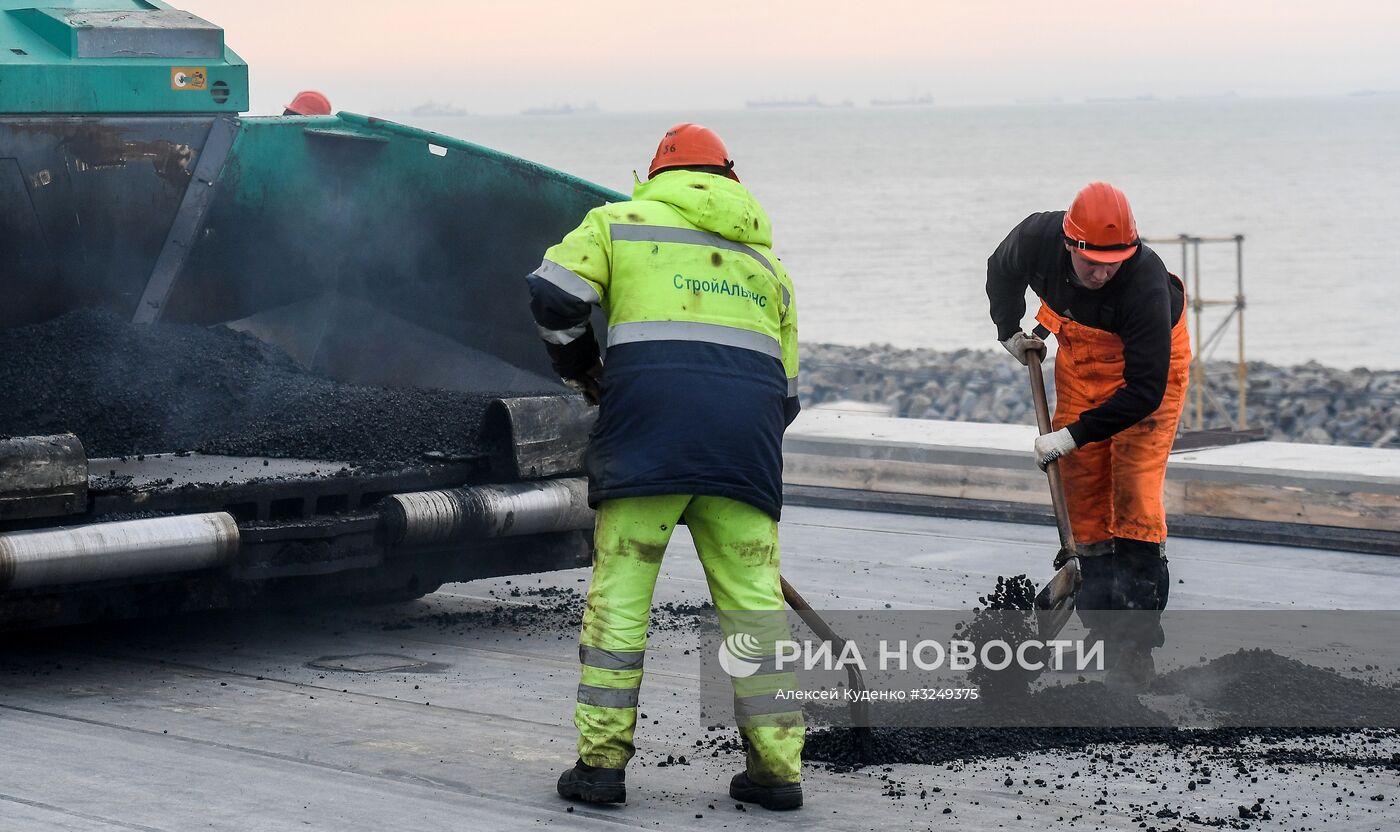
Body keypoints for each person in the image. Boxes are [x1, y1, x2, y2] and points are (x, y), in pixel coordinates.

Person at [526, 124, 805, 809]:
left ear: (652, 175)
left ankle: (600, 769)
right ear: (730, 179)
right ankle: (777, 775)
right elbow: (787, 395)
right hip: (742, 453)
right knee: (754, 612)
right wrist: (726, 440)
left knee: (621, 602)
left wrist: (581, 367)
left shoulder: (619, 223)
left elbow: (555, 295)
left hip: (646, 441)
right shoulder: (768, 267)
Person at [986, 181, 1191, 685]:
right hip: (1082, 356)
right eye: (1091, 261)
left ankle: (1136, 650)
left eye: (1114, 261)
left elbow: (1144, 390)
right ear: (1069, 244)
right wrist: (1008, 329)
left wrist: (1071, 435)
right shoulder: (1037, 236)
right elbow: (1000, 269)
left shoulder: (1143, 283)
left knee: (1135, 500)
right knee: (1084, 501)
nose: (1102, 272)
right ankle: (1103, 628)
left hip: (1148, 374)